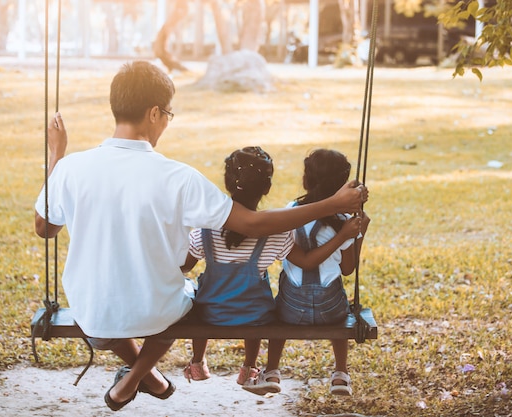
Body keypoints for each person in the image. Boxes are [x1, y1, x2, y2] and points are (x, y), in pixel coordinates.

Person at [33, 61, 366, 412]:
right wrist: (331, 203)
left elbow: (46, 228)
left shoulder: (72, 167)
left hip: (92, 313)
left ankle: (150, 379)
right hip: (155, 314)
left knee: (118, 313)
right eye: (168, 116)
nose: (166, 123)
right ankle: (142, 377)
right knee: (187, 301)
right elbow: (251, 224)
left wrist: (56, 155)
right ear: (154, 113)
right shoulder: (177, 177)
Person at [180, 146, 362, 394]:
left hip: (211, 314)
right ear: (266, 188)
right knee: (257, 303)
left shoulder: (206, 231)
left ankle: (199, 361)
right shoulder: (275, 234)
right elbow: (315, 262)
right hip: (255, 316)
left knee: (198, 295)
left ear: (228, 183)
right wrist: (348, 234)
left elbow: (184, 266)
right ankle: (250, 367)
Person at [242, 149, 370, 397]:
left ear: (307, 180)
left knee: (277, 308)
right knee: (341, 302)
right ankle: (341, 374)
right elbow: (347, 269)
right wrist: (358, 234)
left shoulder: (290, 211)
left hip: (290, 311)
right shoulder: (344, 220)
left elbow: (298, 259)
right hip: (330, 311)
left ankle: (271, 370)